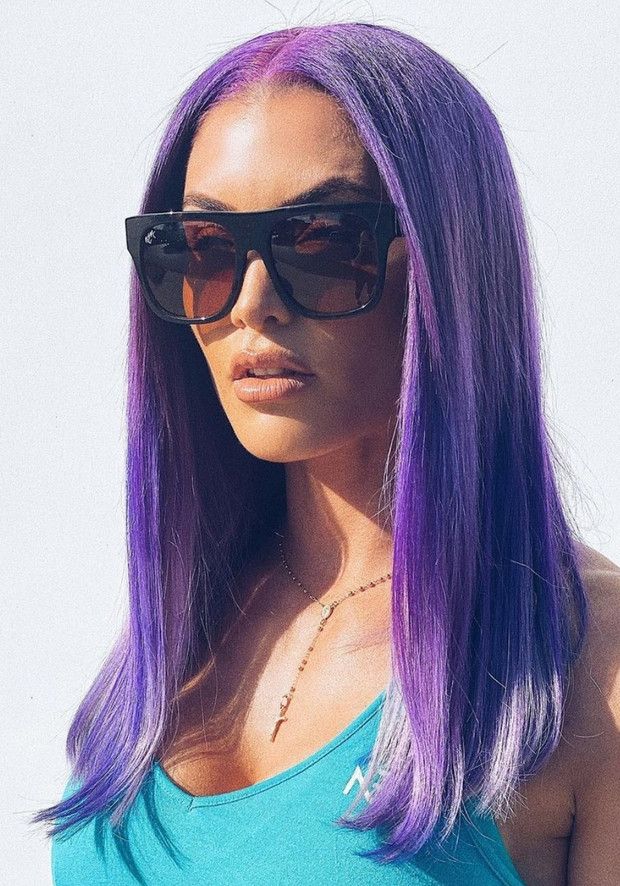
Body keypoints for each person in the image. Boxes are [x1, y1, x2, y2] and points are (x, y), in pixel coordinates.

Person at [35, 21, 620, 885]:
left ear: (449, 265)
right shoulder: (178, 629)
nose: (252, 303)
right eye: (204, 249)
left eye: (320, 240)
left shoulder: (588, 667)